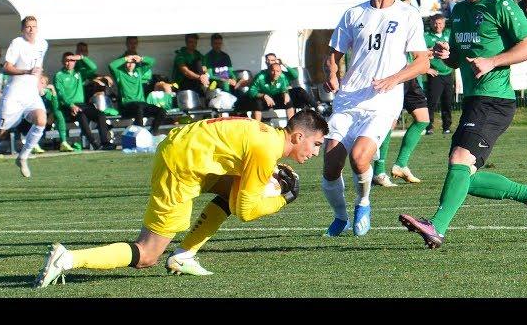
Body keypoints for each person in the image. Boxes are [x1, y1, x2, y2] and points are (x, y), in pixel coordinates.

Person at [33, 110, 327, 286]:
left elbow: (235, 152)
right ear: (299, 136)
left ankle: (184, 256)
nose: (315, 153)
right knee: (147, 254)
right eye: (315, 144)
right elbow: (246, 211)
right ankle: (68, 259)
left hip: (184, 152)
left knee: (230, 190)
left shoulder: (266, 135)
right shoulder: (266, 149)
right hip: (182, 166)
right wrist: (282, 199)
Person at [398, 0, 527, 249]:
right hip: (474, 100)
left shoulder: (500, 5)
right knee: (463, 173)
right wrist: (448, 54)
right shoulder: (459, 11)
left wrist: (493, 61)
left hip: (494, 100)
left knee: (459, 162)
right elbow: (458, 59)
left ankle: (436, 226)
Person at [321, 0, 428, 237]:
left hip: (384, 101)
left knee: (359, 158)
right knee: (331, 165)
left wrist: (394, 78)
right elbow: (333, 55)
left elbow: (422, 61)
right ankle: (340, 217)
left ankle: (364, 203)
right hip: (349, 99)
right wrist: (331, 73)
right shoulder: (354, 13)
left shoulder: (408, 15)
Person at [373, 0, 431, 188]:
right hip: (393, 74)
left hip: (409, 74)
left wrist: (425, 62)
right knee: (389, 122)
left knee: (423, 118)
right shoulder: (389, 8)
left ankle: (400, 164)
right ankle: (379, 170)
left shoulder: (412, 9)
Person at [0, 16, 48, 181]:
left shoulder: (43, 44)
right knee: (0, 133)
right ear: (22, 29)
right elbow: (7, 67)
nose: (31, 29)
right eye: (28, 27)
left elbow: (38, 67)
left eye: (34, 26)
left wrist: (39, 85)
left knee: (41, 120)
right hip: (14, 96)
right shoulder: (17, 43)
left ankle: (23, 157)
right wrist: (25, 71)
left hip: (31, 95)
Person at [54, 52, 114, 150]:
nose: (68, 63)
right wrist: (71, 105)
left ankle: (105, 142)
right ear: (62, 61)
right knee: (82, 115)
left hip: (82, 104)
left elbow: (93, 67)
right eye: (66, 60)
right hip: (68, 106)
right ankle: (94, 144)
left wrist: (82, 57)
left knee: (100, 115)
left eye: (71, 60)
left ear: (75, 61)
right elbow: (61, 94)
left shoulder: (79, 73)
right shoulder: (59, 76)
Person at [108, 52, 166, 135]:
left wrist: (141, 58)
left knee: (162, 111)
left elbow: (152, 61)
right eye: (128, 62)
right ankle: (140, 134)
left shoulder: (138, 72)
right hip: (128, 106)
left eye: (132, 62)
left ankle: (153, 131)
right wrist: (125, 58)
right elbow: (111, 65)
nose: (130, 64)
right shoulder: (120, 74)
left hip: (141, 104)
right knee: (139, 107)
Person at [424, 14, 453, 135]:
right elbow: (418, 56)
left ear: (444, 24)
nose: (438, 26)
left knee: (447, 102)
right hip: (435, 75)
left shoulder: (449, 35)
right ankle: (429, 127)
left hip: (448, 73)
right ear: (431, 24)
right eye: (435, 23)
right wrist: (427, 69)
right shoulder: (426, 37)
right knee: (432, 102)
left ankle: (446, 127)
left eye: (440, 23)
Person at [172, 33, 210, 97]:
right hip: (182, 83)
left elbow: (204, 67)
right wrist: (200, 77)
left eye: (195, 42)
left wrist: (205, 74)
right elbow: (186, 72)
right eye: (191, 42)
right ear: (186, 42)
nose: (193, 44)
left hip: (196, 82)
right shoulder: (180, 55)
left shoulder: (197, 54)